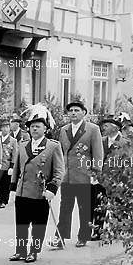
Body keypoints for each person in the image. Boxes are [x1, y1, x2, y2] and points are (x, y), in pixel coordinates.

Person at [9, 104, 64, 263]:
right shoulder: (22, 145)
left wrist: (52, 188)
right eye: (32, 126)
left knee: (38, 225)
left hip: (41, 192)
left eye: (38, 126)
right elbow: (17, 168)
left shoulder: (53, 146)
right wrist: (13, 188)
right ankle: (20, 251)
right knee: (21, 223)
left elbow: (59, 171)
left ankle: (33, 251)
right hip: (23, 191)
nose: (34, 129)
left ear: (45, 129)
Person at [56, 101, 103, 248]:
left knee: (84, 208)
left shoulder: (92, 129)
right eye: (70, 111)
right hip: (67, 175)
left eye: (77, 110)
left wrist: (96, 172)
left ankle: (83, 236)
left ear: (84, 113)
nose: (73, 113)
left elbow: (97, 152)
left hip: (84, 174)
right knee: (64, 208)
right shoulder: (64, 130)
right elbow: (60, 152)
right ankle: (60, 237)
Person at [91, 113, 126, 240]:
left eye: (106, 125)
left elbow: (128, 163)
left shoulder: (125, 143)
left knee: (118, 205)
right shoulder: (100, 140)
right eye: (103, 125)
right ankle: (98, 231)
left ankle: (118, 230)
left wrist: (124, 180)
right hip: (101, 179)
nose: (103, 128)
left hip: (117, 180)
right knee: (99, 205)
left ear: (115, 128)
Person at [0, 118, 18, 209]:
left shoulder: (13, 141)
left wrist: (12, 167)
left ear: (9, 128)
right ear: (0, 128)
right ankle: (1, 198)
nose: (5, 129)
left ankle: (4, 200)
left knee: (6, 184)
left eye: (7, 127)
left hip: (7, 165)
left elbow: (15, 154)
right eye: (3, 127)